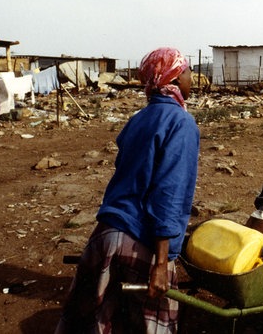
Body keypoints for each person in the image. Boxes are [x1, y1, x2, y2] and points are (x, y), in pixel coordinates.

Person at [55, 47, 199, 334]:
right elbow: (168, 194)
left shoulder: (139, 119)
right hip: (141, 242)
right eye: (187, 71)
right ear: (174, 77)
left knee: (95, 324)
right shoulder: (181, 123)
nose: (192, 77)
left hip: (106, 233)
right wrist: (160, 262)